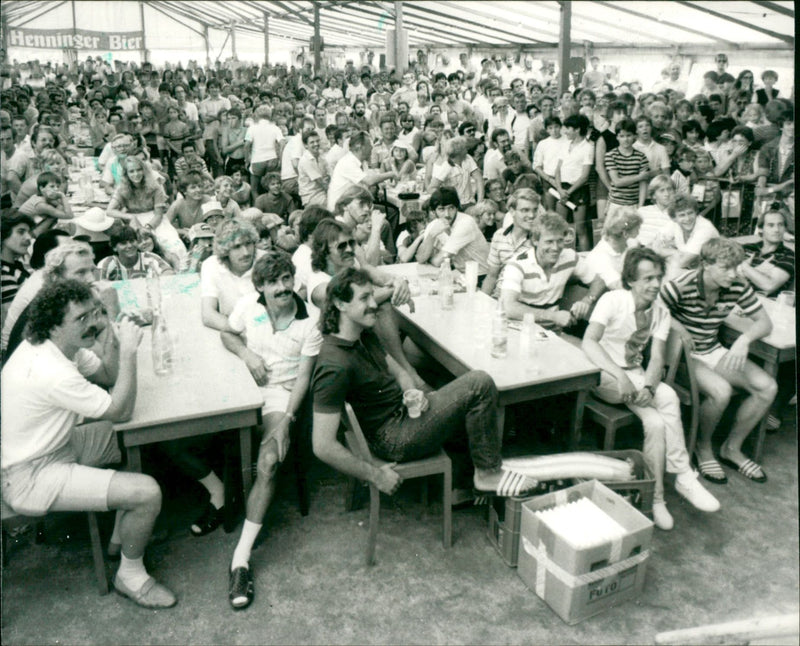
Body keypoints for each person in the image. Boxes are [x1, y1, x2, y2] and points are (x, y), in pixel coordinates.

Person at [1, 279, 176, 608]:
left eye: (95, 313)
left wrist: (109, 327)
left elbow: (109, 376)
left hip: (54, 448)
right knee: (147, 492)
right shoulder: (51, 370)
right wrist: (128, 350)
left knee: (136, 442)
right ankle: (131, 576)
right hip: (29, 475)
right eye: (81, 319)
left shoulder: (60, 347)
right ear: (53, 325)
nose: (92, 322)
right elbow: (121, 411)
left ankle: (121, 537)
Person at [310, 268, 536, 499]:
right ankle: (486, 475)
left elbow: (399, 372)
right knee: (480, 383)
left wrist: (411, 392)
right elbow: (322, 446)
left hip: (404, 414)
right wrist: (376, 475)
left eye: (372, 295)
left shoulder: (361, 333)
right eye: (364, 298)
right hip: (393, 438)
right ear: (340, 304)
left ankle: (462, 484)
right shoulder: (334, 365)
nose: (374, 303)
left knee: (472, 400)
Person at [582, 247, 720, 530]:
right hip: (604, 377)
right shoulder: (612, 300)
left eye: (658, 277)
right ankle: (683, 474)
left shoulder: (660, 312)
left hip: (635, 381)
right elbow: (589, 342)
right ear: (631, 280)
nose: (655, 284)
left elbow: (656, 358)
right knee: (668, 396)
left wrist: (649, 385)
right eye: (647, 278)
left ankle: (656, 498)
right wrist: (620, 375)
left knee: (656, 423)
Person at [221, 250, 321, 610]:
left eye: (286, 279)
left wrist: (288, 422)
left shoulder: (311, 321)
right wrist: (248, 356)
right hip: (242, 389)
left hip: (280, 397)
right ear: (259, 287)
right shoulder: (249, 306)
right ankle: (220, 497)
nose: (282, 287)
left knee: (268, 462)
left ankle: (241, 559)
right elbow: (228, 335)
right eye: (273, 281)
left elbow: (303, 381)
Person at [661, 238, 777, 485]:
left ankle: (731, 448)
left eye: (736, 267)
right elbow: (652, 309)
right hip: (683, 358)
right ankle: (703, 448)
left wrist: (744, 340)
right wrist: (677, 325)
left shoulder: (736, 284)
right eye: (726, 267)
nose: (733, 273)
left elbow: (765, 323)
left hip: (712, 350)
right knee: (721, 391)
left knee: (767, 387)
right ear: (705, 264)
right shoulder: (681, 285)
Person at [500, 212, 602, 326]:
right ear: (535, 241)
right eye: (549, 242)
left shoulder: (569, 257)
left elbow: (599, 280)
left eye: (559, 241)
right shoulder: (517, 265)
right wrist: (553, 316)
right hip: (520, 329)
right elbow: (508, 307)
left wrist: (587, 300)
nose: (555, 248)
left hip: (553, 333)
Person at [200, 218, 262, 330]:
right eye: (237, 246)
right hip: (233, 329)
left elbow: (299, 292)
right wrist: (239, 330)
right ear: (225, 249)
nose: (246, 252)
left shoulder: (266, 259)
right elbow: (208, 314)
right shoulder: (211, 265)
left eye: (248, 244)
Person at [415, 187, 489, 279]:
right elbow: (420, 258)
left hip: (480, 275)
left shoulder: (465, 223)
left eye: (451, 208)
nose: (447, 214)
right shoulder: (434, 225)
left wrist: (429, 257)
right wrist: (431, 236)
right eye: (441, 209)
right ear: (434, 212)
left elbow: (438, 261)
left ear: (457, 208)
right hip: (458, 274)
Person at [480, 188, 538, 297]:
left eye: (535, 210)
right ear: (512, 211)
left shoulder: (540, 240)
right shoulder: (499, 236)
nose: (531, 215)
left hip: (524, 302)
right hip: (498, 298)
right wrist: (481, 302)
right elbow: (492, 276)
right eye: (525, 210)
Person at [653, 194, 719, 278]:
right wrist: (675, 252)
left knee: (670, 273)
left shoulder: (705, 228)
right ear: (674, 218)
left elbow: (683, 262)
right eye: (682, 215)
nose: (687, 218)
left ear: (696, 212)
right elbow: (655, 247)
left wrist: (669, 254)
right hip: (692, 269)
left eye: (690, 213)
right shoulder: (674, 224)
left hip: (713, 270)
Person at [554, 114, 594, 251]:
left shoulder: (588, 147)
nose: (565, 131)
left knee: (580, 229)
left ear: (577, 130)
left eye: (568, 128)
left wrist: (568, 193)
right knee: (560, 228)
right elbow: (557, 169)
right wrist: (560, 190)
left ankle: (585, 260)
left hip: (578, 190)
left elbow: (584, 176)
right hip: (562, 189)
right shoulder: (565, 145)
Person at [739, 203, 794, 296]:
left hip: (763, 304)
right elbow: (722, 275)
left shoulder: (789, 255)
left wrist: (743, 267)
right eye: (771, 225)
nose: (777, 230)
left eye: (780, 225)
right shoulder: (746, 248)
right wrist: (759, 272)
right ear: (761, 229)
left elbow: (769, 285)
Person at [98, 224, 175, 281]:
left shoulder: (149, 258)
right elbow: (98, 286)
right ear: (114, 247)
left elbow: (169, 272)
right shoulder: (107, 263)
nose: (129, 246)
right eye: (123, 243)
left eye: (132, 241)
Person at [1, 211, 34, 319]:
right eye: (21, 232)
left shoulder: (14, 265)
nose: (29, 237)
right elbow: (13, 320)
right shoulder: (4, 275)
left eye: (28, 232)